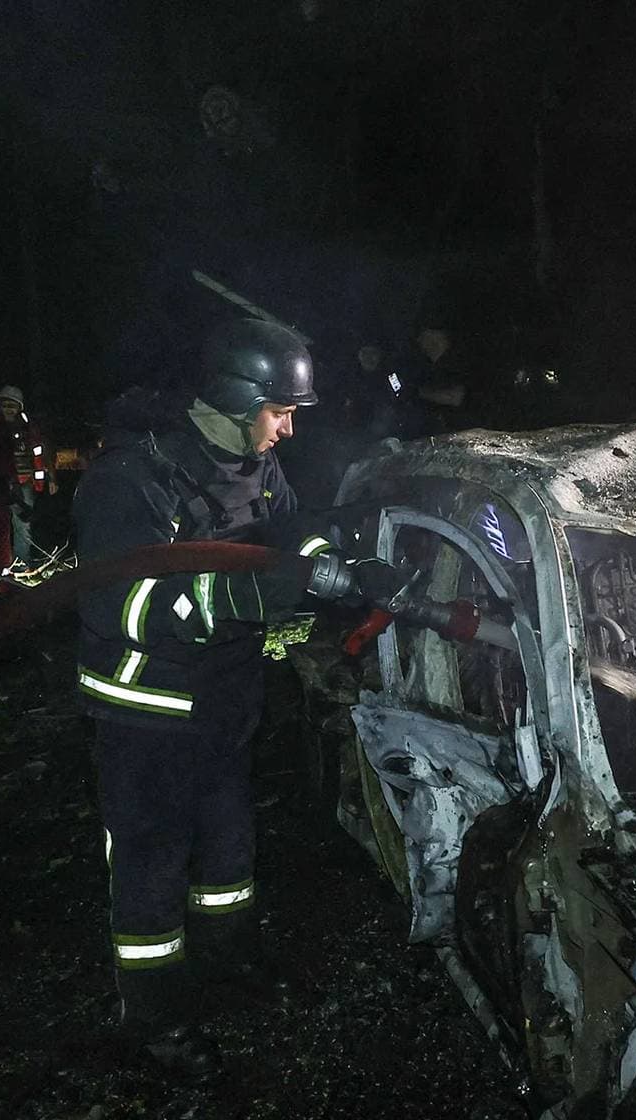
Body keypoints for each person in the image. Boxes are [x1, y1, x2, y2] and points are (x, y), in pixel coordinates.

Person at [71, 318, 404, 1077]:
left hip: (225, 699)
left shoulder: (252, 466)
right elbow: (120, 609)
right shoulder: (131, 479)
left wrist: (343, 569)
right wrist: (256, 596)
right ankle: (153, 1019)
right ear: (233, 397)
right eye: (280, 411)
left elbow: (288, 535)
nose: (288, 429)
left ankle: (233, 960)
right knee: (152, 863)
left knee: (228, 847)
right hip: (146, 711)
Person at [0, 385, 56, 573]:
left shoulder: (28, 429)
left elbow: (41, 452)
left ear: (20, 408)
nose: (8, 409)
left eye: (12, 405)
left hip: (23, 484)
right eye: (4, 404)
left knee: (22, 524)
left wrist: (50, 478)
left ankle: (20, 563)